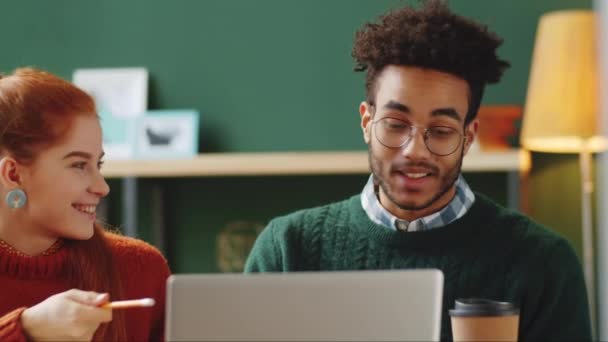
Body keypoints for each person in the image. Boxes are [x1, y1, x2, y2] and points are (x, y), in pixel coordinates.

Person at [245, 1, 591, 340]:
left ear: (468, 136)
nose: (415, 151)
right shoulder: (287, 250)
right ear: (367, 121)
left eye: (440, 131)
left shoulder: (543, 263)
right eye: (396, 124)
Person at [0, 67, 170, 341]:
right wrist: (26, 329)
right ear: (13, 174)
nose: (102, 187)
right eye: (79, 165)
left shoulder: (141, 269)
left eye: (98, 164)